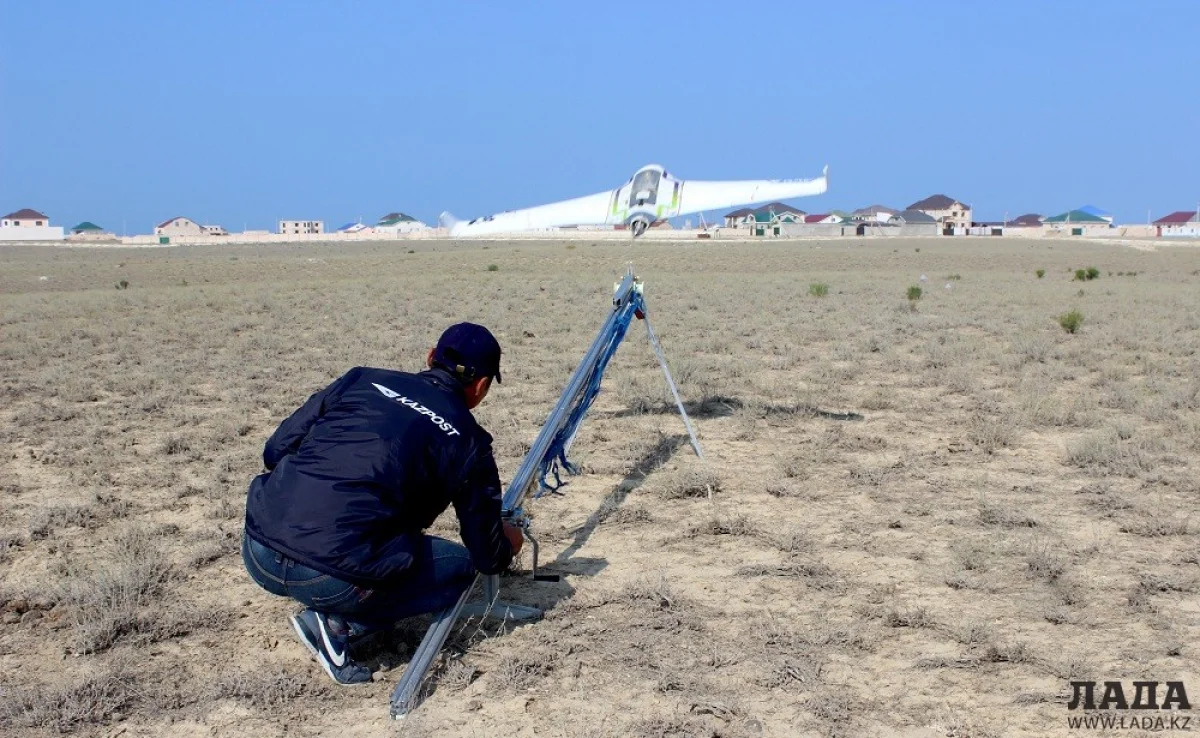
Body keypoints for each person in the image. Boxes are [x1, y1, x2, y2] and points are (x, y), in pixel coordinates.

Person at [241, 322, 523, 685]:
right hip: (330, 576)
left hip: (259, 548)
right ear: (482, 386)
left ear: (430, 357)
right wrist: (508, 545)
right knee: (460, 568)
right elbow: (486, 554)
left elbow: (273, 451)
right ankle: (339, 625)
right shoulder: (470, 442)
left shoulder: (361, 379)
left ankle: (328, 604)